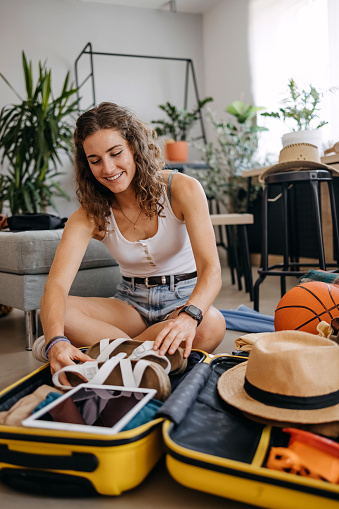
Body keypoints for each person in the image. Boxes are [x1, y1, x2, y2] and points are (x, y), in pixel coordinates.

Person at [38, 102, 226, 380]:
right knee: (59, 316)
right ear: (86, 164)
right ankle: (146, 355)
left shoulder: (182, 188)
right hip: (130, 304)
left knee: (210, 324)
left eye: (115, 153)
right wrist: (55, 339)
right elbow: (56, 285)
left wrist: (188, 317)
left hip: (183, 297)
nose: (108, 168)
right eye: (95, 160)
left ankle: (109, 351)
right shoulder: (89, 214)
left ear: (134, 147)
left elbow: (211, 270)